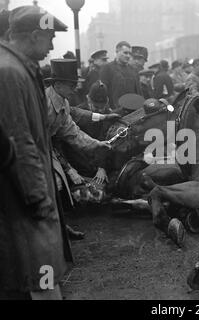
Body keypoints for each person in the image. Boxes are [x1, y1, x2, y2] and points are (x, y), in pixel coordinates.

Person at [0, 5, 70, 300]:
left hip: (23, 194)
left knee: (36, 276)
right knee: (36, 274)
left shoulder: (15, 67)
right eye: (50, 38)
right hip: (22, 199)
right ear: (33, 36)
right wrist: (39, 198)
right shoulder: (9, 73)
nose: (53, 45)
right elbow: (21, 141)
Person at [46, 59, 111, 211]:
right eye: (71, 85)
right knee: (54, 184)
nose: (75, 89)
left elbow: (72, 132)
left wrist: (96, 144)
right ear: (57, 85)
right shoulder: (45, 104)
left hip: (47, 150)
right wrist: (68, 168)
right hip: (30, 150)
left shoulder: (64, 103)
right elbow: (41, 141)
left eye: (76, 85)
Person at [100, 41, 142, 107]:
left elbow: (138, 91)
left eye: (129, 53)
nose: (128, 56)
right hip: (115, 109)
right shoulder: (108, 69)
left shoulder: (133, 70)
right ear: (117, 52)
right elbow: (103, 91)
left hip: (132, 108)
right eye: (125, 53)